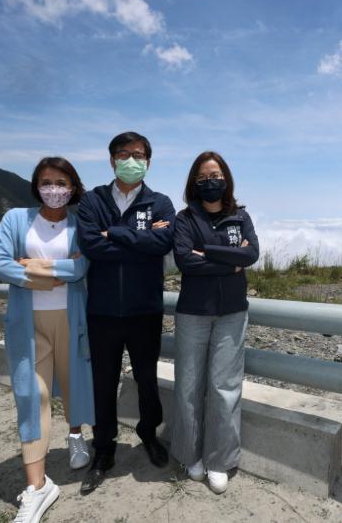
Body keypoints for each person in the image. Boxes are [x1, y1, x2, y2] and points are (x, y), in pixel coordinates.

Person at [0, 157, 95, 523]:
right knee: (33, 394)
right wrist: (53, 275)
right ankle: (36, 487)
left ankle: (76, 434)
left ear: (72, 186)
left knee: (73, 380)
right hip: (27, 322)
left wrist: (31, 268)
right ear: (37, 185)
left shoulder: (81, 222)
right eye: (47, 182)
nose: (54, 189)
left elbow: (81, 268)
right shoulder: (16, 218)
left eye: (61, 182)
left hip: (70, 317)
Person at [76, 131, 176, 494]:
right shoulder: (92, 200)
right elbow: (91, 246)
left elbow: (162, 243)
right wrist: (137, 240)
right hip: (102, 311)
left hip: (144, 310)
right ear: (112, 160)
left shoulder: (160, 202)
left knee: (147, 380)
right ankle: (103, 449)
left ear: (148, 161)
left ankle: (149, 434)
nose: (132, 160)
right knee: (103, 382)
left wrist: (112, 234)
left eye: (139, 154)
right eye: (124, 154)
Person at [170, 151, 259, 494]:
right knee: (189, 388)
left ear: (227, 178)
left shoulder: (241, 216)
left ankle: (219, 460)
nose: (211, 181)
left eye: (216, 174)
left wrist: (207, 252)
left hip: (232, 312)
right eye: (204, 177)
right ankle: (189, 455)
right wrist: (230, 261)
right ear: (194, 182)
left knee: (225, 389)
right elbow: (184, 261)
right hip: (193, 312)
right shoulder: (184, 218)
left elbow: (252, 255)